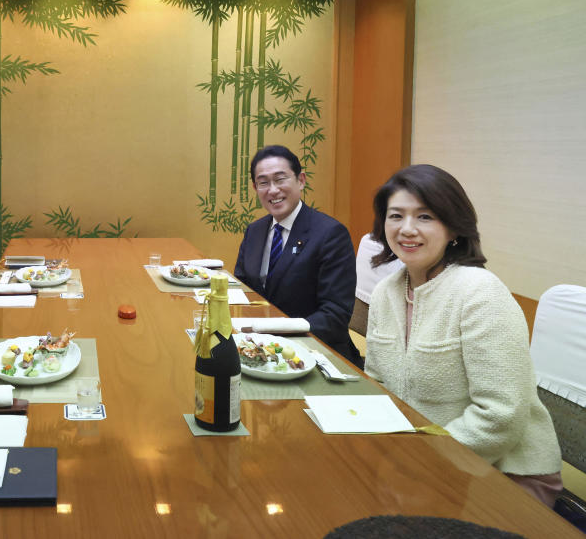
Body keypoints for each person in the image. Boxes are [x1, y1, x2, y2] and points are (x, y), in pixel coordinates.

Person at [364, 164, 562, 507]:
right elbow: (377, 381)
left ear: (453, 227)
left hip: (503, 471)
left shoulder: (480, 294)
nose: (407, 229)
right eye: (396, 215)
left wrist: (421, 457)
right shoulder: (386, 291)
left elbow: (500, 415)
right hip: (416, 459)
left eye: (425, 217)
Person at [233, 145, 360, 365]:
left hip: (315, 352)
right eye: (263, 182)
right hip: (259, 350)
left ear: (300, 180)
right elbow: (243, 290)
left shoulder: (330, 234)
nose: (272, 190)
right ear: (255, 187)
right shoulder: (255, 231)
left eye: (280, 179)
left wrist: (278, 338)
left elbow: (335, 315)